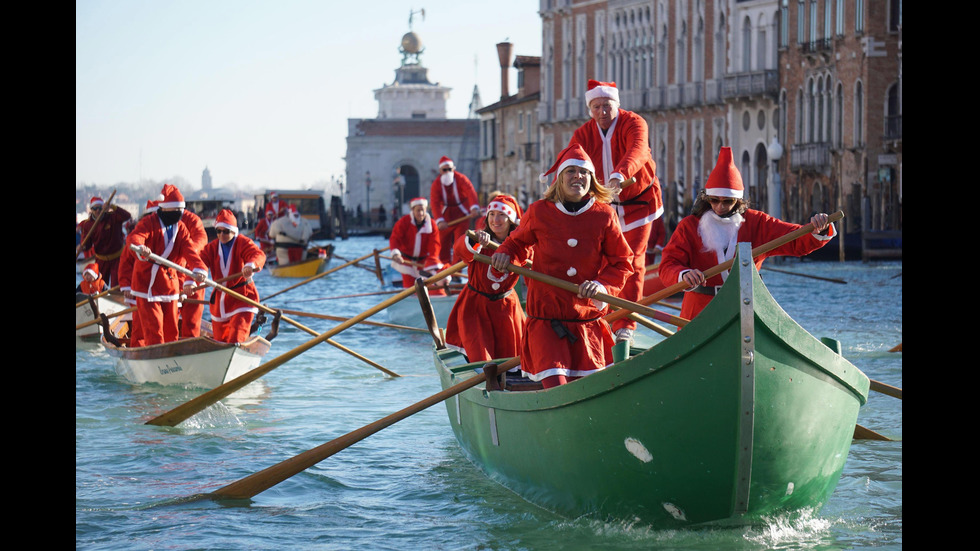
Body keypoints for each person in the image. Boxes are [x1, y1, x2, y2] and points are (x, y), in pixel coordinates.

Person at [490, 144, 634, 389]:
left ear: (591, 179)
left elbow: (622, 263)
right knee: (557, 387)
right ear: (559, 178)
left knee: (590, 391)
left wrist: (601, 285)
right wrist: (504, 254)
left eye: (583, 172)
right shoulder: (538, 212)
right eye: (571, 171)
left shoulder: (605, 215)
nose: (578, 176)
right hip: (546, 323)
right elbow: (515, 245)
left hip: (587, 323)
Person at [658, 147, 837, 322]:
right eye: (714, 200)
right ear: (707, 199)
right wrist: (683, 275)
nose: (720, 207)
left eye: (727, 201)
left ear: (737, 201)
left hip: (745, 310)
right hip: (698, 314)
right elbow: (668, 265)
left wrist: (817, 228)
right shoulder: (689, 226)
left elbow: (795, 239)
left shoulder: (757, 222)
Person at [565, 80, 664, 346]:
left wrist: (620, 174)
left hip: (639, 203)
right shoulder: (583, 133)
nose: (602, 111)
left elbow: (638, 150)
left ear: (616, 105)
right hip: (604, 207)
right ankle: (603, 317)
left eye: (606, 105)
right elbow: (572, 161)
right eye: (596, 106)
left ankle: (626, 323)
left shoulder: (634, 123)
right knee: (603, 262)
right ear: (590, 109)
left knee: (632, 262)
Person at [444, 194, 527, 373]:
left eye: (501, 215)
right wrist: (474, 240)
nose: (495, 220)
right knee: (481, 358)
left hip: (506, 307)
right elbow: (459, 248)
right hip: (475, 307)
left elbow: (534, 265)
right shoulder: (479, 240)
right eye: (491, 214)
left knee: (512, 361)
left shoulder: (522, 246)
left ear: (511, 219)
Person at [128, 184, 207, 346]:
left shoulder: (181, 228)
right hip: (147, 284)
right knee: (154, 329)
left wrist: (199, 268)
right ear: (164, 210)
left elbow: (190, 250)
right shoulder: (149, 222)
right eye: (176, 211)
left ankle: (173, 359)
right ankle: (155, 357)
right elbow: (135, 237)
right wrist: (141, 248)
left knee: (171, 330)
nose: (179, 215)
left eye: (181, 211)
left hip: (169, 283)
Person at [198, 209, 266, 343]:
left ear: (234, 231)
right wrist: (197, 275)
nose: (222, 234)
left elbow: (258, 255)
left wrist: (250, 266)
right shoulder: (211, 248)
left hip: (242, 297)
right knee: (219, 341)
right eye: (219, 231)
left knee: (236, 336)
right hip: (220, 302)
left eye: (226, 231)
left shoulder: (242, 242)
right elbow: (199, 262)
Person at [117, 199, 160, 346]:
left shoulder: (170, 236)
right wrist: (126, 287)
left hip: (162, 289)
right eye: (152, 215)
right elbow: (124, 265)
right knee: (140, 324)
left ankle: (166, 350)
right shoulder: (135, 238)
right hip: (139, 287)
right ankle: (138, 349)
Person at [429, 155, 481, 265]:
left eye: (450, 169)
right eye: (445, 170)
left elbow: (470, 192)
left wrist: (474, 208)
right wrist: (439, 220)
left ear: (453, 169)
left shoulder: (461, 178)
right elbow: (434, 203)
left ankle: (456, 270)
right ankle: (444, 268)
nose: (447, 172)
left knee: (459, 242)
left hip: (462, 214)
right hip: (445, 216)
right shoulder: (436, 184)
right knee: (442, 243)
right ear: (440, 171)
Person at [389, 197, 446, 295]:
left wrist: (432, 263)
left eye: (423, 210)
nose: (421, 213)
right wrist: (396, 255)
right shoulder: (404, 222)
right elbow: (395, 239)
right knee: (409, 290)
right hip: (406, 262)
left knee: (430, 288)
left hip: (423, 263)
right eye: (418, 210)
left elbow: (435, 245)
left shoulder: (432, 224)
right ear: (412, 210)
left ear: (426, 210)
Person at [76, 196, 133, 288]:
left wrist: (112, 207)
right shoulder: (88, 224)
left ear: (103, 208)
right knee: (99, 285)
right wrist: (83, 246)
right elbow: (88, 244)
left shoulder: (113, 217)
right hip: (101, 259)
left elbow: (127, 216)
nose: (98, 210)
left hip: (117, 258)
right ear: (91, 209)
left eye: (100, 208)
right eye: (95, 208)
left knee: (117, 286)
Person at [177, 200, 209, 339]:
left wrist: (186, 252)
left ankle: (190, 344)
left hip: (193, 271)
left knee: (192, 318)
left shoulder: (192, 220)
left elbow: (201, 239)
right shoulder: (155, 220)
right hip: (170, 275)